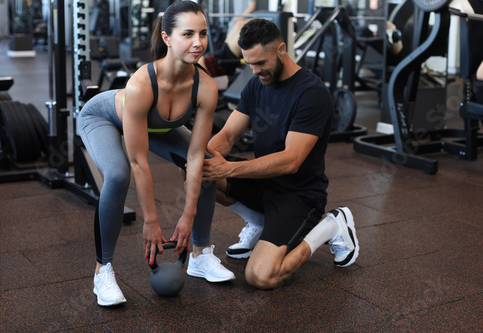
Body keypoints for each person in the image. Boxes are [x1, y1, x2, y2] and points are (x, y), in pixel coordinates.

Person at [77, 1, 234, 307]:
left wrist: (187, 217)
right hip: (102, 117)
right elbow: (138, 161)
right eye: (187, 34)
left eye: (202, 33)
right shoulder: (141, 83)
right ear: (166, 38)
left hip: (154, 127)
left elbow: (195, 156)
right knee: (119, 174)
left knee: (209, 164)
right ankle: (102, 269)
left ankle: (199, 255)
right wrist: (151, 221)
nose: (198, 43)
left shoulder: (206, 87)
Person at [203, 19, 360, 289]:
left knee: (261, 277)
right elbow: (229, 135)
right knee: (200, 173)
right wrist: (202, 157)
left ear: (281, 49)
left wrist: (228, 169)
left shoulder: (311, 93)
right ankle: (261, 221)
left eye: (260, 63)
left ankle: (331, 226)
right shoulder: (256, 85)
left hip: (298, 194)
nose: (254, 71)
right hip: (265, 183)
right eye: (248, 64)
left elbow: (291, 161)